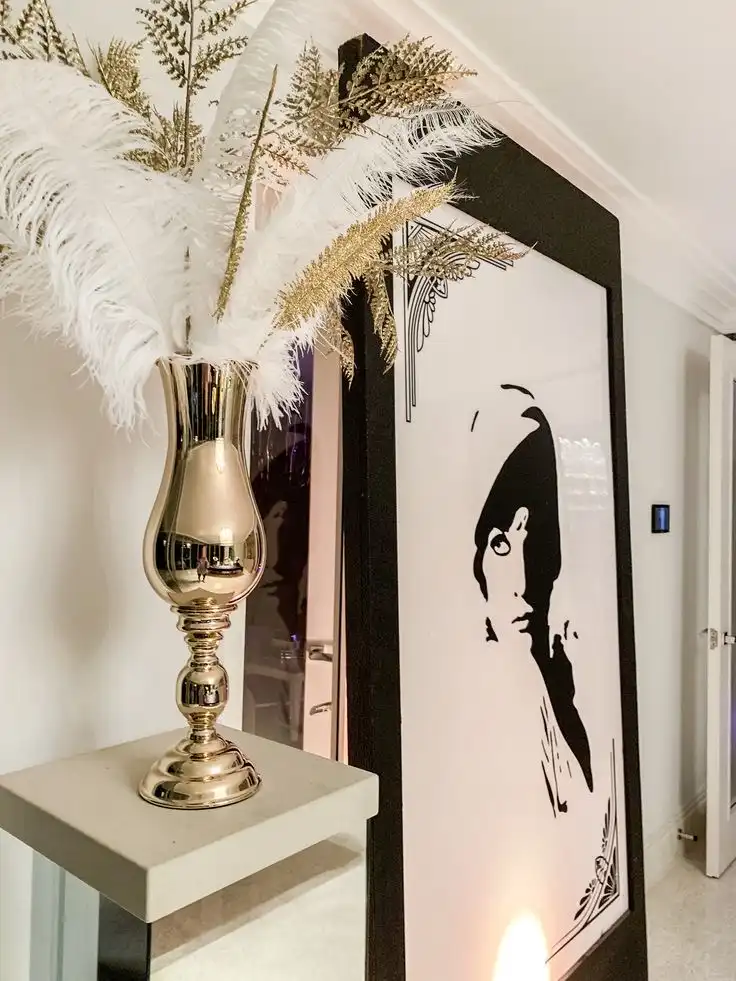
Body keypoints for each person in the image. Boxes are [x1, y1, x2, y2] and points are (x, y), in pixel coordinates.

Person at [472, 384, 593, 812]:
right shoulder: (469, 699)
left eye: (536, 537)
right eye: (502, 544)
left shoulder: (556, 667)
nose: (522, 582)